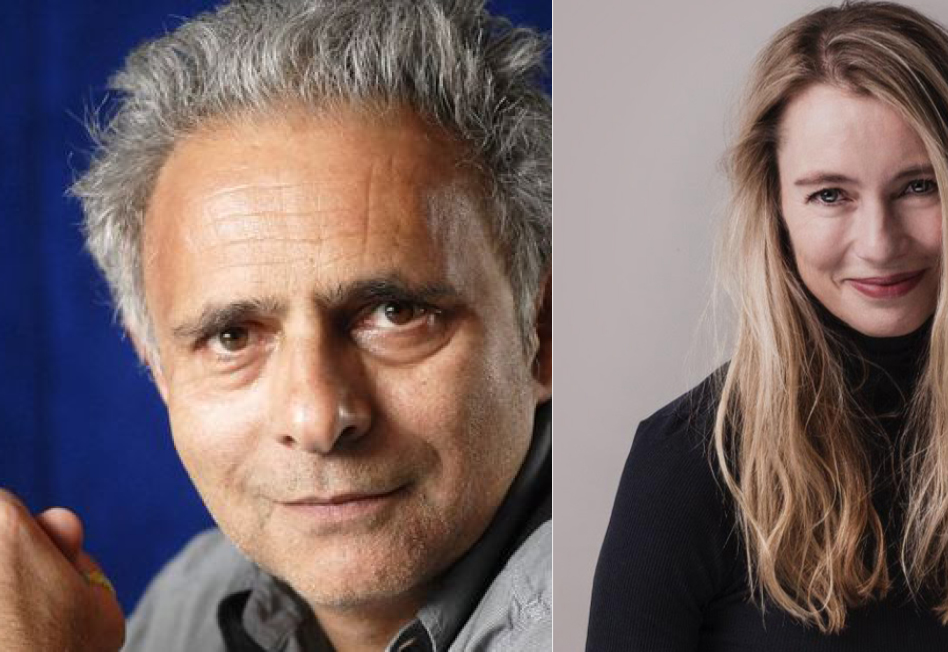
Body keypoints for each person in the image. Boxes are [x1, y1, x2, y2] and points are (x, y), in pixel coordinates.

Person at [0, 1, 552, 650]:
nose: (317, 420)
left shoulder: (610, 603)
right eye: (232, 336)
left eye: (394, 313)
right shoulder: (192, 596)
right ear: (157, 368)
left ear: (542, 332)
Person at [587, 3, 948, 651]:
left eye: (918, 186)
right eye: (830, 194)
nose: (879, 243)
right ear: (776, 207)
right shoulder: (688, 463)